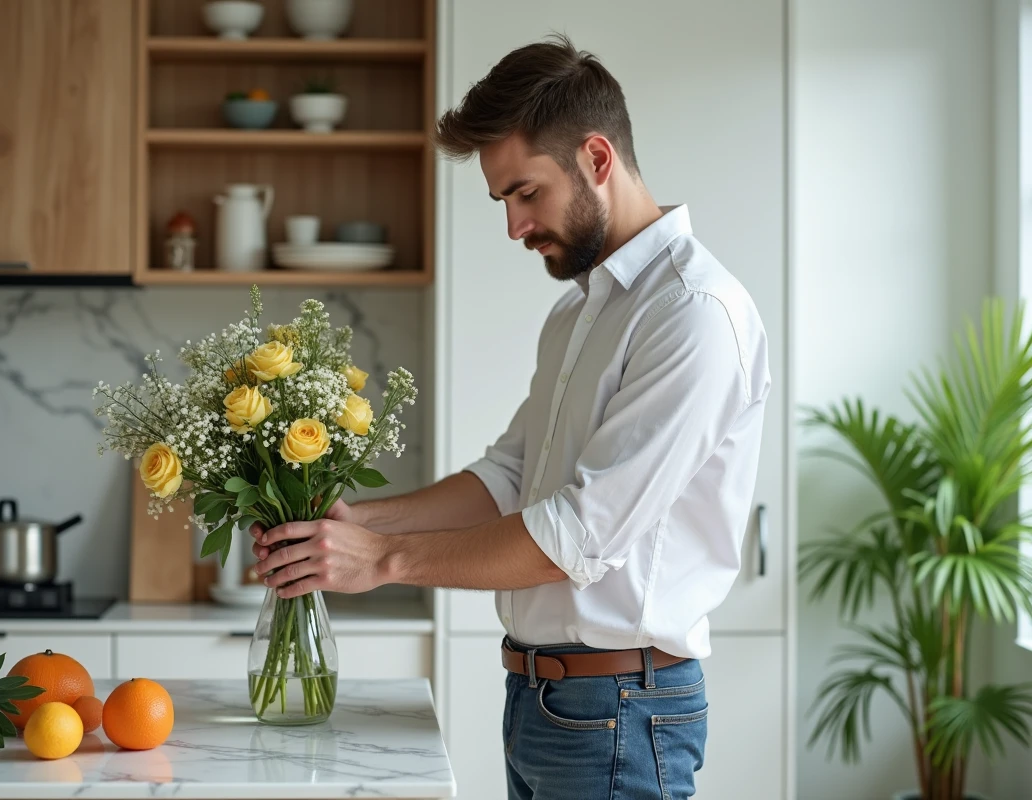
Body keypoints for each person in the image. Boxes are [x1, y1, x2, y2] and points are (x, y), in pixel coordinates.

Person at [250, 34, 771, 800]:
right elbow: (509, 476)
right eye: (503, 201)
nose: (514, 226)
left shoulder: (691, 313)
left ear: (597, 158)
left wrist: (382, 562)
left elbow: (578, 535)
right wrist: (358, 522)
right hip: (544, 702)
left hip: (622, 709)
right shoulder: (579, 312)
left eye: (527, 193)